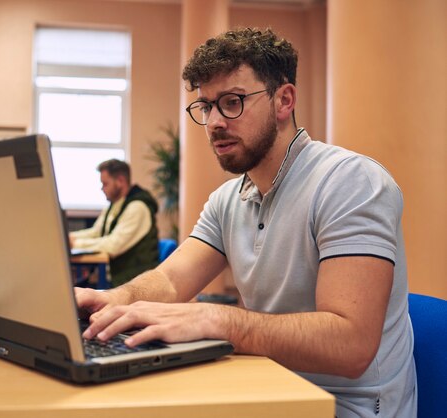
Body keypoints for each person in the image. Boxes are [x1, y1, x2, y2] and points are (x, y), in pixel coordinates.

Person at [75, 28, 416, 417]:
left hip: (346, 406)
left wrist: (218, 319)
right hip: (266, 386)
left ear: (283, 100)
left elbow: (351, 345)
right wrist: (110, 299)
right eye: (206, 106)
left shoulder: (350, 182)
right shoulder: (228, 199)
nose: (214, 122)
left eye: (232, 102)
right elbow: (171, 280)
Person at [69, 159, 159, 287]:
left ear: (120, 181)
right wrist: (70, 237)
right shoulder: (114, 205)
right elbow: (96, 232)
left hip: (133, 281)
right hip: (117, 277)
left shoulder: (137, 208)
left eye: (105, 184)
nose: (102, 188)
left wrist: (75, 244)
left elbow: (112, 246)